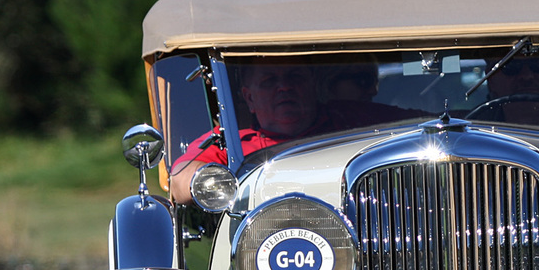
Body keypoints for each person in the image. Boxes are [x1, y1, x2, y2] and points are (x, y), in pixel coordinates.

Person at [169, 61, 420, 204]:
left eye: (295, 77)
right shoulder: (232, 142)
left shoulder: (349, 119)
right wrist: (208, 182)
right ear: (250, 98)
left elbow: (418, 124)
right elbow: (179, 180)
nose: (284, 88)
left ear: (312, 86)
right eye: (269, 82)